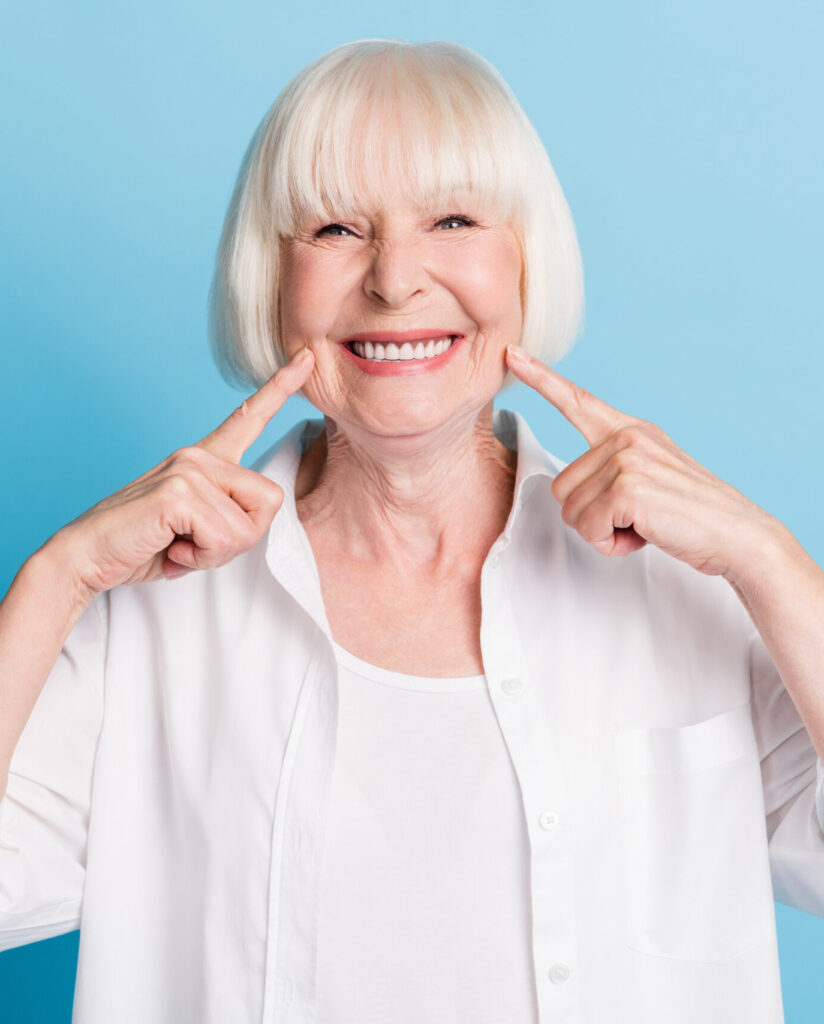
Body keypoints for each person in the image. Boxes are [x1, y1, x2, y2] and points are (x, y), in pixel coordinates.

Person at [1, 37, 823, 1024]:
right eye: (338, 228)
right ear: (270, 278)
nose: (394, 280)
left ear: (525, 258)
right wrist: (52, 578)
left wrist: (772, 564)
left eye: (453, 219)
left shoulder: (691, 597)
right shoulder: (138, 627)